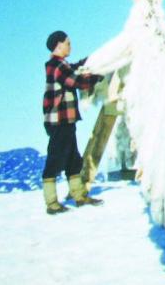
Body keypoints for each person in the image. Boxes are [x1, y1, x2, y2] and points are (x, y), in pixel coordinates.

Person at [41, 30, 104, 214]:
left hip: (65, 120)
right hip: (59, 120)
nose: (70, 46)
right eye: (68, 43)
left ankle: (78, 196)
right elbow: (76, 81)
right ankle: (51, 202)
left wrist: (88, 61)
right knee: (55, 158)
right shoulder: (57, 66)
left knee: (72, 158)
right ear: (58, 45)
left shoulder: (61, 65)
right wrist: (95, 77)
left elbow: (73, 69)